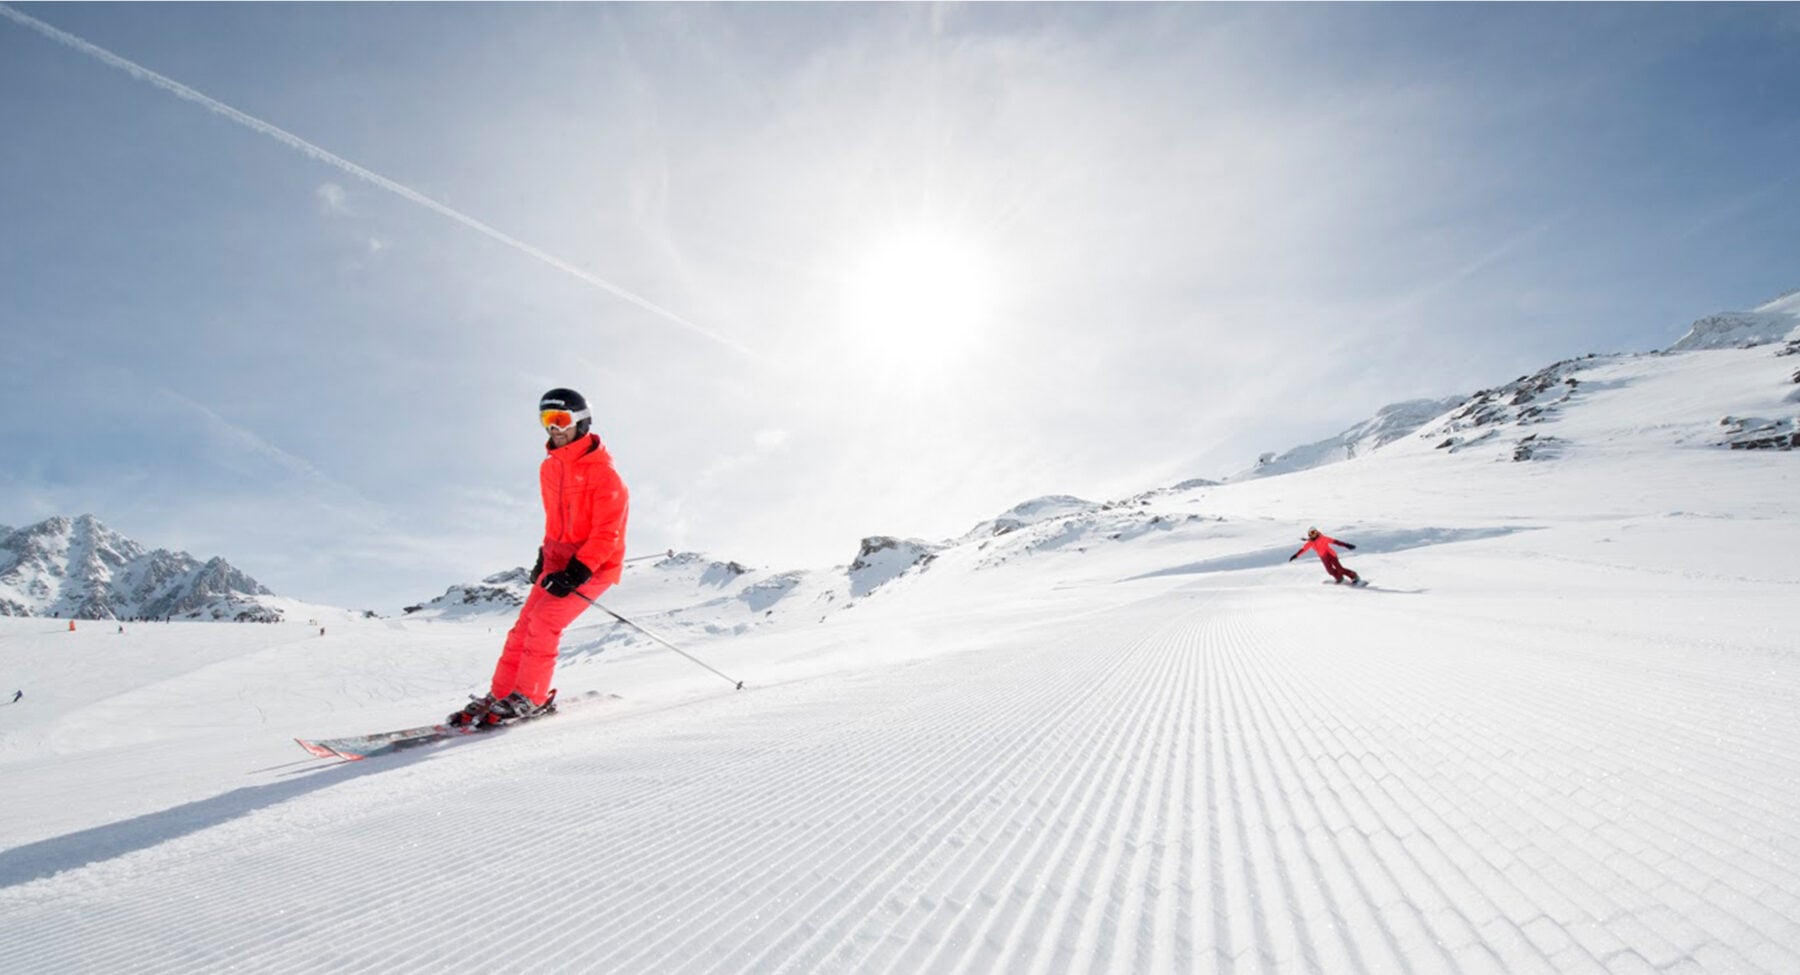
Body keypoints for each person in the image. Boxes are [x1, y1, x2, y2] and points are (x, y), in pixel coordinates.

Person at [449, 388, 629, 728]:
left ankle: (530, 697)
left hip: (595, 565)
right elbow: (555, 520)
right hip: (557, 561)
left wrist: (578, 570)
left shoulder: (605, 475)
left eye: (561, 420)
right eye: (547, 421)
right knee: (521, 630)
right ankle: (503, 694)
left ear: (581, 421)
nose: (554, 428)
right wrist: (544, 557)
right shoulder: (549, 469)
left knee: (545, 623)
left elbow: (609, 532)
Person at [1288, 527, 1361, 585]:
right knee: (1330, 571)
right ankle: (1339, 578)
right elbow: (1303, 550)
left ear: (1317, 532)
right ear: (1309, 535)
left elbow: (1336, 542)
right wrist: (1295, 556)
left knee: (1339, 569)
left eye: (1314, 532)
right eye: (1311, 533)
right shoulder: (1310, 543)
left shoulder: (1323, 538)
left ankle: (1354, 576)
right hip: (1323, 557)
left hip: (1331, 555)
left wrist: (1346, 545)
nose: (1313, 534)